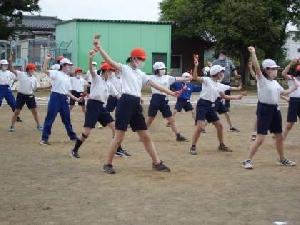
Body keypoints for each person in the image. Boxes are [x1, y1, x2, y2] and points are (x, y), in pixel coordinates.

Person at [94, 35, 179, 174]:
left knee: (145, 136)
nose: (142, 61)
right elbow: (110, 61)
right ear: (133, 58)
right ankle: (107, 164)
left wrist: (170, 92)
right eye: (141, 59)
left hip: (136, 104)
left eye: (143, 59)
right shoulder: (124, 68)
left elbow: (155, 84)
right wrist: (99, 48)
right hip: (125, 102)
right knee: (119, 136)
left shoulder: (141, 73)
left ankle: (157, 163)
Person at [242, 46, 298, 169]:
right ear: (267, 70)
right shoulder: (262, 80)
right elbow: (257, 68)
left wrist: (293, 88)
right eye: (273, 69)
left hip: (275, 110)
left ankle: (282, 159)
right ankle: (247, 160)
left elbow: (283, 93)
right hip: (265, 109)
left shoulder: (275, 82)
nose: (276, 70)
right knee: (260, 138)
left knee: (279, 137)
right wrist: (253, 53)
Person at [70, 51, 130, 158]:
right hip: (92, 106)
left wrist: (129, 99)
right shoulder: (97, 78)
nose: (112, 73)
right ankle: (74, 150)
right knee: (86, 132)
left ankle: (118, 149)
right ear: (106, 71)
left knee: (115, 128)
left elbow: (118, 95)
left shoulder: (109, 83)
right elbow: (92, 71)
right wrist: (90, 59)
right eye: (110, 71)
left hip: (101, 107)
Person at [190, 60, 244, 155]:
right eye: (221, 72)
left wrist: (238, 93)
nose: (223, 73)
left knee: (219, 126)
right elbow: (195, 77)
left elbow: (229, 89)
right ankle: (193, 146)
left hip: (211, 106)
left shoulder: (218, 84)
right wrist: (196, 66)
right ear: (216, 73)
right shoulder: (207, 80)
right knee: (199, 127)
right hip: (202, 105)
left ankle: (221, 145)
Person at [40, 56, 82, 145]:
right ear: (63, 65)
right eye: (68, 65)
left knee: (67, 119)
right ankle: (44, 138)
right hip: (55, 97)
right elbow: (44, 70)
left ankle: (72, 136)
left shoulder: (67, 77)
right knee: (50, 118)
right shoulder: (56, 73)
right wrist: (46, 60)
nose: (70, 67)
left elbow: (67, 92)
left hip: (64, 98)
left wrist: (76, 99)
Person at [146, 61, 189, 142]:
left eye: (164, 68)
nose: (163, 70)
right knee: (150, 118)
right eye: (161, 69)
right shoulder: (151, 77)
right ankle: (143, 134)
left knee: (171, 119)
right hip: (155, 99)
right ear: (156, 70)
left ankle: (178, 135)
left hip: (164, 100)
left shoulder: (167, 77)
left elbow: (178, 78)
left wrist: (188, 78)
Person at [8, 53, 49, 132]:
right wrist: (10, 61)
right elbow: (12, 70)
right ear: (29, 69)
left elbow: (37, 88)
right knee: (16, 112)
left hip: (30, 96)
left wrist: (48, 87)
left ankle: (39, 126)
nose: (34, 71)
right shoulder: (21, 74)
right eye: (33, 69)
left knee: (35, 112)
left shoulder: (34, 78)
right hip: (21, 96)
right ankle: (12, 126)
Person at [281, 61, 300, 140]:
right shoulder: (292, 78)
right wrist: (290, 64)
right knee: (290, 124)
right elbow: (283, 74)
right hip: (294, 101)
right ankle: (282, 138)